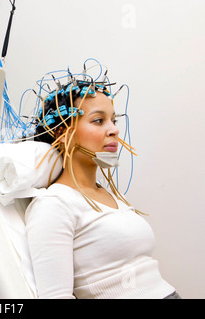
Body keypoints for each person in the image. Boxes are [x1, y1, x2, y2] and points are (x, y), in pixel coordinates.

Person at [24, 70, 180, 299]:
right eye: (98, 120)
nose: (114, 129)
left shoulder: (108, 196)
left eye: (113, 120)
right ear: (63, 134)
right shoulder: (54, 205)